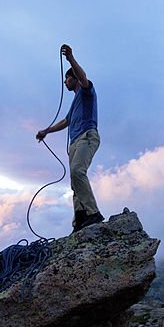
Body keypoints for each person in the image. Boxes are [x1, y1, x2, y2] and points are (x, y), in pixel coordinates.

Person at [36, 44, 104, 232]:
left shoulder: (86, 90)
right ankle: (80, 218)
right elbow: (66, 121)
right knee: (75, 181)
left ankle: (93, 213)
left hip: (87, 136)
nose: (65, 82)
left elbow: (84, 78)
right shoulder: (75, 100)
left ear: (73, 77)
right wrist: (46, 131)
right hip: (74, 142)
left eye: (67, 78)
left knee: (77, 172)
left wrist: (71, 59)